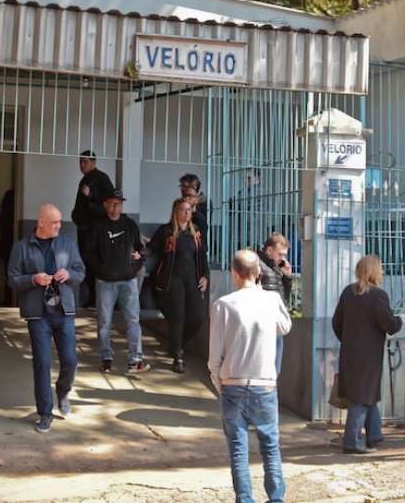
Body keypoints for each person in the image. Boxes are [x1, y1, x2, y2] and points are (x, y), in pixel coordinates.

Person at [208, 250, 292, 503]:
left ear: (234, 273)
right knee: (270, 445)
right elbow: (285, 327)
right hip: (264, 385)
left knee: (238, 449)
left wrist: (218, 383)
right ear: (258, 273)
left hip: (232, 384)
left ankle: (245, 499)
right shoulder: (271, 300)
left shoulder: (223, 304)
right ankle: (276, 498)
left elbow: (215, 355)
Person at [8, 204, 85, 432]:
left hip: (64, 312)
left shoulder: (67, 244)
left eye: (60, 222)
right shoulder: (22, 247)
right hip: (37, 314)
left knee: (70, 360)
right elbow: (12, 278)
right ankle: (45, 412)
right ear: (41, 222)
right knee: (41, 364)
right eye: (54, 223)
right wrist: (33, 279)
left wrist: (69, 274)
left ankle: (63, 391)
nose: (59, 226)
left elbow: (81, 271)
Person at [332, 255, 402, 454]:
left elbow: (337, 322)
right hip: (369, 354)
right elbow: (389, 324)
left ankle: (374, 434)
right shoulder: (378, 295)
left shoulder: (348, 292)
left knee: (366, 392)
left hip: (349, 352)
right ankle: (352, 441)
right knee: (361, 396)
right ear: (374, 271)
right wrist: (399, 321)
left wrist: (347, 340)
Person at [85, 189, 150, 374]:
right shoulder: (97, 226)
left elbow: (141, 250)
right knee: (104, 322)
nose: (115, 208)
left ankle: (135, 360)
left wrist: (136, 264)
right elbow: (88, 253)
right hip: (105, 282)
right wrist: (100, 270)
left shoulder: (130, 225)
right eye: (111, 204)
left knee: (133, 320)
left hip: (128, 281)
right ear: (105, 204)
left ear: (122, 205)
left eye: (118, 204)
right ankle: (106, 358)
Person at [147, 198, 209, 373]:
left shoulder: (195, 232)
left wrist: (204, 276)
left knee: (198, 316)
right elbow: (151, 248)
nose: (187, 213)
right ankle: (178, 357)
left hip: (192, 279)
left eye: (189, 210)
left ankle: (178, 345)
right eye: (183, 209)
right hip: (172, 279)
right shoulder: (166, 231)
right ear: (175, 212)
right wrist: (139, 254)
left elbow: (202, 256)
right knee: (178, 317)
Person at [71, 150, 114, 306]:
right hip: (83, 229)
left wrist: (91, 195)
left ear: (94, 162)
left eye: (85, 162)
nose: (82, 165)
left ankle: (97, 300)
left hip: (94, 231)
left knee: (94, 264)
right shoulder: (85, 179)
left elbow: (110, 204)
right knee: (86, 264)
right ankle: (91, 299)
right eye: (80, 161)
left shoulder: (102, 179)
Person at [257, 232, 293, 374]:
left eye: (285, 255)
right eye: (281, 254)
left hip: (275, 322)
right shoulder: (258, 264)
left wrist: (288, 277)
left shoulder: (277, 267)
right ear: (270, 250)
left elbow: (285, 297)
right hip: (262, 322)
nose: (283, 258)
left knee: (275, 370)